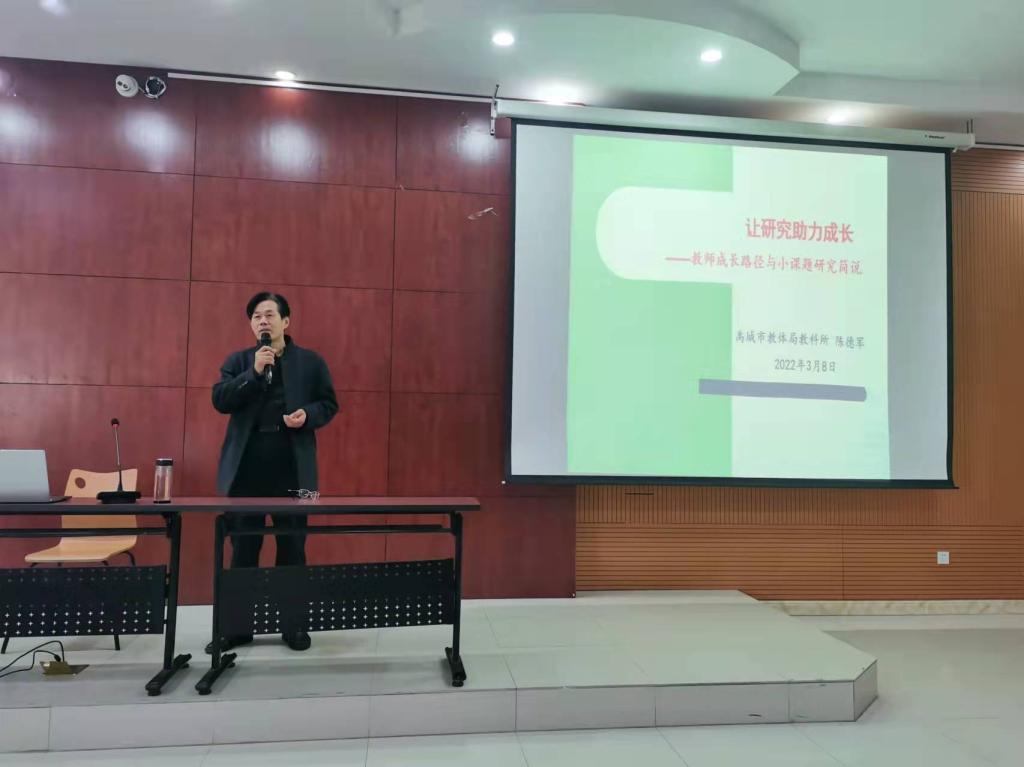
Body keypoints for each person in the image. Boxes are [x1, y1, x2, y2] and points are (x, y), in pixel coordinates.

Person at [207, 292, 338, 653]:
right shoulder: (239, 361)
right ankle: (237, 629)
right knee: (242, 549)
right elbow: (220, 400)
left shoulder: (311, 362)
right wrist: (253, 373)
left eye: (269, 314)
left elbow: (329, 404)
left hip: (295, 472)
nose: (262, 321)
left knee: (293, 548)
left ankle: (294, 627)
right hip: (245, 471)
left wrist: (308, 415)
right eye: (256, 316)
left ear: (286, 321)